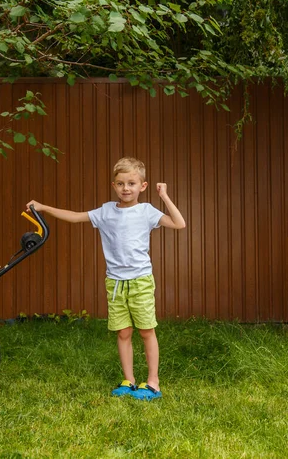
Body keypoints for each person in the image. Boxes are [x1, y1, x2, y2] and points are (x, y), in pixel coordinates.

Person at [26, 157, 186, 401]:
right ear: (114, 186)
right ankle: (129, 380)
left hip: (140, 280)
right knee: (123, 332)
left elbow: (179, 223)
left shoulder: (147, 211)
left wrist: (163, 196)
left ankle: (153, 382)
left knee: (146, 331)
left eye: (132, 183)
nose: (126, 188)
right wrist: (44, 208)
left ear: (143, 186)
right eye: (121, 183)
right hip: (115, 282)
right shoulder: (105, 212)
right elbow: (75, 216)